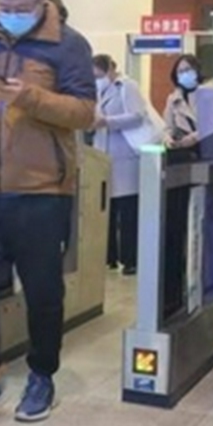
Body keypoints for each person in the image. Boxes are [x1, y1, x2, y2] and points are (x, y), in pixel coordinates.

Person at [0, 0, 96, 426]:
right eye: (3, 5)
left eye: (20, 6)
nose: (10, 13)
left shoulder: (68, 45)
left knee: (43, 291)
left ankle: (42, 376)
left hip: (41, 190)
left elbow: (83, 113)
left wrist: (28, 98)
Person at [91, 54, 146, 275]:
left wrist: (108, 122)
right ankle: (109, 256)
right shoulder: (97, 91)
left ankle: (130, 258)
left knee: (127, 208)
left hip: (125, 155)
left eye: (98, 74)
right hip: (102, 155)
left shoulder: (127, 87)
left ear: (109, 71)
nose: (96, 79)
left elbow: (138, 116)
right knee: (107, 208)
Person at [163, 54, 205, 149]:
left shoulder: (210, 93)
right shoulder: (173, 99)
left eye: (187, 70)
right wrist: (167, 139)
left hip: (208, 148)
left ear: (196, 71)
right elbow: (168, 128)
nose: (184, 74)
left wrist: (194, 137)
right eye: (180, 72)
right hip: (186, 151)